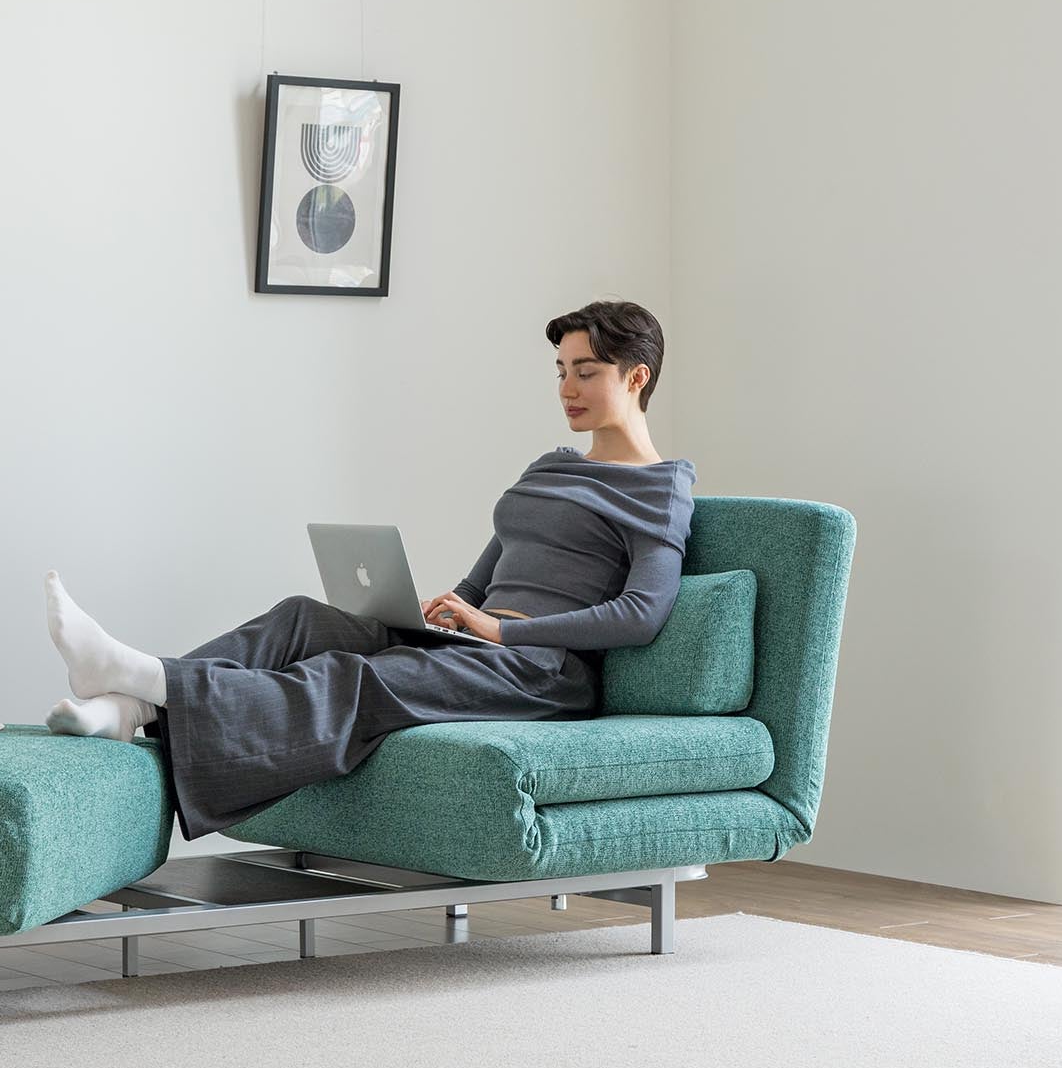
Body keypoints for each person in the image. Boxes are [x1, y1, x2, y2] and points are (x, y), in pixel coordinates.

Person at [41, 298, 698, 841]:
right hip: (478, 646)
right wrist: (439, 610)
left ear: (635, 377)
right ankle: (129, 707)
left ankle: (142, 679)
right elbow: (487, 573)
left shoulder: (660, 488)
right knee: (302, 619)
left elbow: (640, 615)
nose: (566, 389)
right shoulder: (550, 467)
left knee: (352, 676)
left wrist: (500, 631)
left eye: (586, 372)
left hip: (538, 672)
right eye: (560, 371)